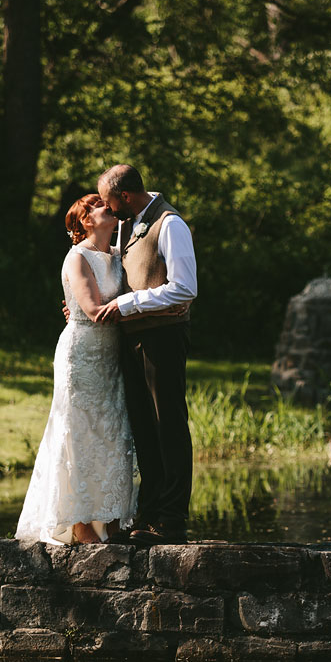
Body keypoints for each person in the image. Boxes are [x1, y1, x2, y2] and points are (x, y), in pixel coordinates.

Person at [16, 194, 135, 545]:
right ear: (85, 220)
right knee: (80, 432)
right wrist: (144, 305)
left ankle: (112, 519)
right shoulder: (77, 257)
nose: (108, 206)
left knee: (114, 432)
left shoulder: (118, 255)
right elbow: (95, 309)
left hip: (113, 357)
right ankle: (80, 523)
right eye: (99, 204)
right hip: (82, 357)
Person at [95, 164, 197, 545]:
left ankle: (172, 520)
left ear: (123, 196)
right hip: (131, 338)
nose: (106, 208)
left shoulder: (170, 224)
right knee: (143, 427)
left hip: (164, 338)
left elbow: (184, 288)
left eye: (108, 201)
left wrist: (130, 304)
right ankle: (149, 515)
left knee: (167, 425)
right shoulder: (126, 223)